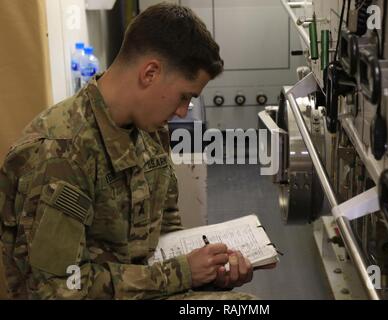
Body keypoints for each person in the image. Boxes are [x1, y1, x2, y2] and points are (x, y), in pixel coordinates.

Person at [0, 3, 266, 300]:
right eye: (184, 97)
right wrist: (181, 273)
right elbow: (58, 287)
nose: (181, 112)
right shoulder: (60, 153)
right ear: (150, 73)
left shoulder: (150, 133)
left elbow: (165, 230)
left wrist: (211, 270)